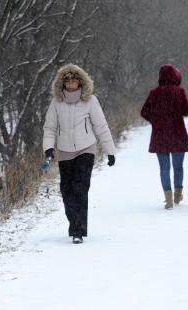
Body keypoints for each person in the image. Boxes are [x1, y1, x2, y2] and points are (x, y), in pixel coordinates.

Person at [43, 63, 116, 244]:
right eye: (67, 80)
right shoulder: (56, 102)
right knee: (66, 191)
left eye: (74, 80)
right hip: (65, 150)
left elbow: (101, 126)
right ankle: (74, 223)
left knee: (80, 188)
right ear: (62, 83)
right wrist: (48, 149)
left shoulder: (90, 101)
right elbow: (50, 128)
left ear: (81, 82)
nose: (71, 84)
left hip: (86, 149)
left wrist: (110, 151)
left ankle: (78, 230)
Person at [141, 64, 188, 209]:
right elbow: (187, 111)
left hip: (160, 135)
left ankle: (168, 199)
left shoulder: (154, 93)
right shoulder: (179, 92)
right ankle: (177, 194)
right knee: (178, 167)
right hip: (177, 134)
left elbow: (144, 112)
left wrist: (155, 120)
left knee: (164, 168)